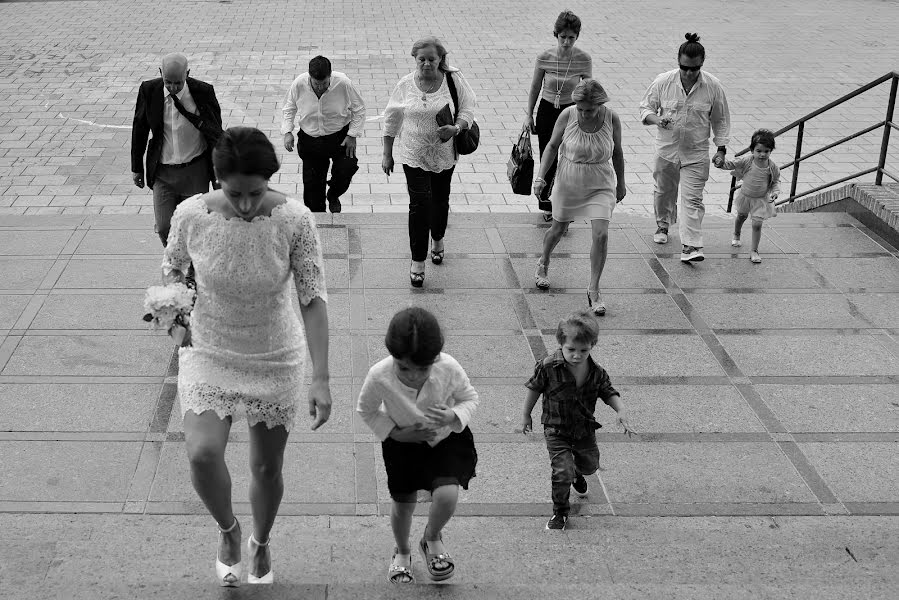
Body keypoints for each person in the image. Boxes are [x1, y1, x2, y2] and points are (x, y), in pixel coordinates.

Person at [161, 127, 331, 587]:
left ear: (271, 181)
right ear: (217, 181)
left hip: (274, 351)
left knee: (265, 466)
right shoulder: (189, 216)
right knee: (201, 453)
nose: (245, 205)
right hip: (209, 346)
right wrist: (175, 313)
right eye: (234, 193)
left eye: (255, 192)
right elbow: (174, 269)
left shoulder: (295, 220)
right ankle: (229, 531)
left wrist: (322, 377)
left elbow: (313, 298)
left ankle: (260, 540)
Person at [356, 307, 479, 583]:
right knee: (403, 505)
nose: (412, 375)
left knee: (448, 495)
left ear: (435, 358)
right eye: (404, 368)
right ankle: (402, 551)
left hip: (445, 441)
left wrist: (453, 415)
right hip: (403, 446)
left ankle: (432, 538)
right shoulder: (379, 375)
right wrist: (396, 433)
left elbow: (470, 398)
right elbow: (366, 410)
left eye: (422, 369)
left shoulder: (448, 367)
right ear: (392, 356)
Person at [522, 310, 635, 530]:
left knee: (590, 465)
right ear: (561, 343)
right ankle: (560, 513)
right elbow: (534, 389)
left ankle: (577, 473)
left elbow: (608, 392)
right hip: (556, 428)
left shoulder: (597, 372)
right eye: (571, 349)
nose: (577, 355)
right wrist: (526, 414)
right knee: (561, 471)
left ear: (593, 345)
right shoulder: (547, 366)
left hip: (584, 429)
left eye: (584, 350)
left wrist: (621, 410)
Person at [382, 37, 477, 288]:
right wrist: (387, 153)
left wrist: (456, 128)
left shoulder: (453, 80)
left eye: (431, 59)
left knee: (440, 199)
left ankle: (437, 238)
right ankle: (417, 262)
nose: (426, 64)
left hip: (444, 155)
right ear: (414, 58)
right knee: (419, 205)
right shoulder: (405, 84)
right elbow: (392, 119)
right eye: (421, 59)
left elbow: (468, 109)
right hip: (413, 155)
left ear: (440, 59)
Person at [532, 79, 626, 316]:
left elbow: (617, 151)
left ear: (599, 105)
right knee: (558, 229)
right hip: (570, 178)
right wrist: (540, 177)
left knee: (601, 234)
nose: (584, 114)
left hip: (600, 181)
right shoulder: (567, 115)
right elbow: (552, 146)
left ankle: (594, 289)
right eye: (581, 109)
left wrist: (622, 182)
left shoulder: (611, 118)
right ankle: (543, 261)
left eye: (589, 110)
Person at [639, 33, 731, 263]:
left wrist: (721, 150)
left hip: (696, 153)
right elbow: (645, 108)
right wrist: (657, 120)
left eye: (694, 68)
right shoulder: (663, 82)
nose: (689, 73)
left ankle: (691, 246)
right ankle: (663, 225)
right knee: (664, 192)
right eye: (684, 68)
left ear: (702, 64)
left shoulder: (713, 86)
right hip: (667, 150)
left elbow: (721, 120)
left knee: (692, 200)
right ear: (678, 62)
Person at [132, 52, 222, 245]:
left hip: (195, 171)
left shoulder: (203, 92)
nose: (172, 87)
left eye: (178, 83)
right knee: (164, 226)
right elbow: (139, 129)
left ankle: (190, 270)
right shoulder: (149, 90)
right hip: (163, 172)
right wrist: (136, 167)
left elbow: (215, 134)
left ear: (187, 74)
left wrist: (219, 173)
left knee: (194, 225)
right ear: (160, 73)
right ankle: (177, 259)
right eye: (168, 82)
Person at [522, 10, 592, 221]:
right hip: (547, 109)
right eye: (563, 37)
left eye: (571, 37)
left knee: (571, 156)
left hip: (572, 110)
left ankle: (567, 201)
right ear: (556, 35)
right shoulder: (545, 57)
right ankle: (547, 203)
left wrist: (589, 115)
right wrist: (529, 115)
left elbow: (589, 89)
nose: (567, 42)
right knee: (548, 154)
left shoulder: (583, 59)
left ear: (577, 37)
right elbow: (535, 87)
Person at [281, 55, 366, 213]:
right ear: (310, 77)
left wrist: (352, 134)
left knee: (347, 168)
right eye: (316, 84)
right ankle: (317, 221)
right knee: (313, 187)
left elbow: (359, 109)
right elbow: (289, 107)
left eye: (324, 84)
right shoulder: (299, 83)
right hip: (310, 139)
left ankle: (333, 194)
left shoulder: (343, 82)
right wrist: (287, 131)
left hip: (339, 136)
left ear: (330, 75)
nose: (320, 87)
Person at [716, 129, 781, 263]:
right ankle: (736, 234)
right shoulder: (747, 161)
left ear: (771, 151)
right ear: (752, 150)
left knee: (757, 224)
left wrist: (775, 192)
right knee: (741, 216)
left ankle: (754, 250)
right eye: (759, 151)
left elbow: (775, 181)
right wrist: (720, 163)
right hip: (745, 196)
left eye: (766, 151)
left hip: (761, 200)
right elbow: (733, 164)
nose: (762, 154)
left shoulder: (772, 166)